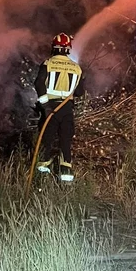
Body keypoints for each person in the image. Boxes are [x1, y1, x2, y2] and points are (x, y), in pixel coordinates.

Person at [34, 33, 84, 182]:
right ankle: (66, 178)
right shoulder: (77, 68)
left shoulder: (48, 64)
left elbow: (38, 84)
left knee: (47, 139)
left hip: (50, 109)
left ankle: (42, 177)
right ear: (68, 49)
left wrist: (45, 106)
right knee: (65, 140)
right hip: (67, 109)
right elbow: (80, 92)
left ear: (54, 47)